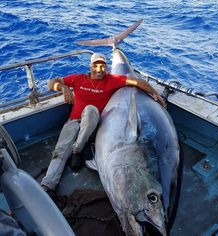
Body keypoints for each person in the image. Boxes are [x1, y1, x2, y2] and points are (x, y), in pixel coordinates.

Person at [41, 53, 166, 194]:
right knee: (60, 150)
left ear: (106, 67)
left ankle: (77, 150)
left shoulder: (111, 80)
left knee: (90, 110)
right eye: (95, 65)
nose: (99, 69)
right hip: (74, 121)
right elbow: (51, 82)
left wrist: (156, 94)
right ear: (90, 66)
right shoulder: (78, 78)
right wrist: (63, 87)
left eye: (102, 66)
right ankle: (48, 185)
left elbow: (137, 82)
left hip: (94, 124)